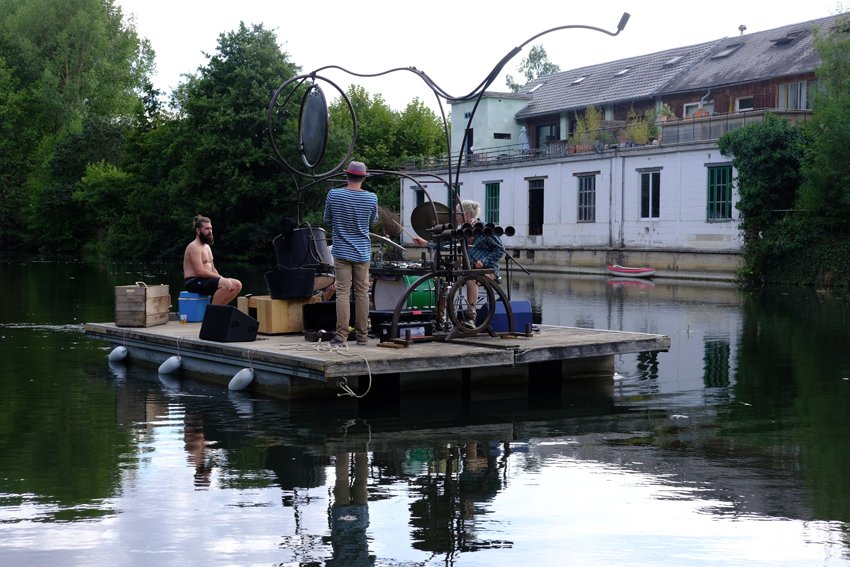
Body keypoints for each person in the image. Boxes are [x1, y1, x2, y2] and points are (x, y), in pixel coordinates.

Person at [323, 161, 378, 346]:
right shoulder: (372, 198)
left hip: (341, 252)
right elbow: (372, 222)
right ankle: (362, 336)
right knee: (363, 294)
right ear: (363, 178)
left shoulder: (334, 194)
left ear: (347, 176)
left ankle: (341, 336)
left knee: (342, 293)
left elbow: (327, 218)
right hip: (362, 252)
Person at [183, 215, 243, 305]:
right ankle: (212, 314)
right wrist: (221, 279)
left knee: (237, 285)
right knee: (226, 284)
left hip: (206, 280)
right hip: (194, 282)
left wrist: (221, 278)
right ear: (198, 230)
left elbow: (213, 269)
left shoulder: (207, 247)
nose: (210, 231)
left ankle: (216, 309)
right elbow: (200, 272)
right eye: (206, 229)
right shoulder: (193, 247)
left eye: (211, 228)